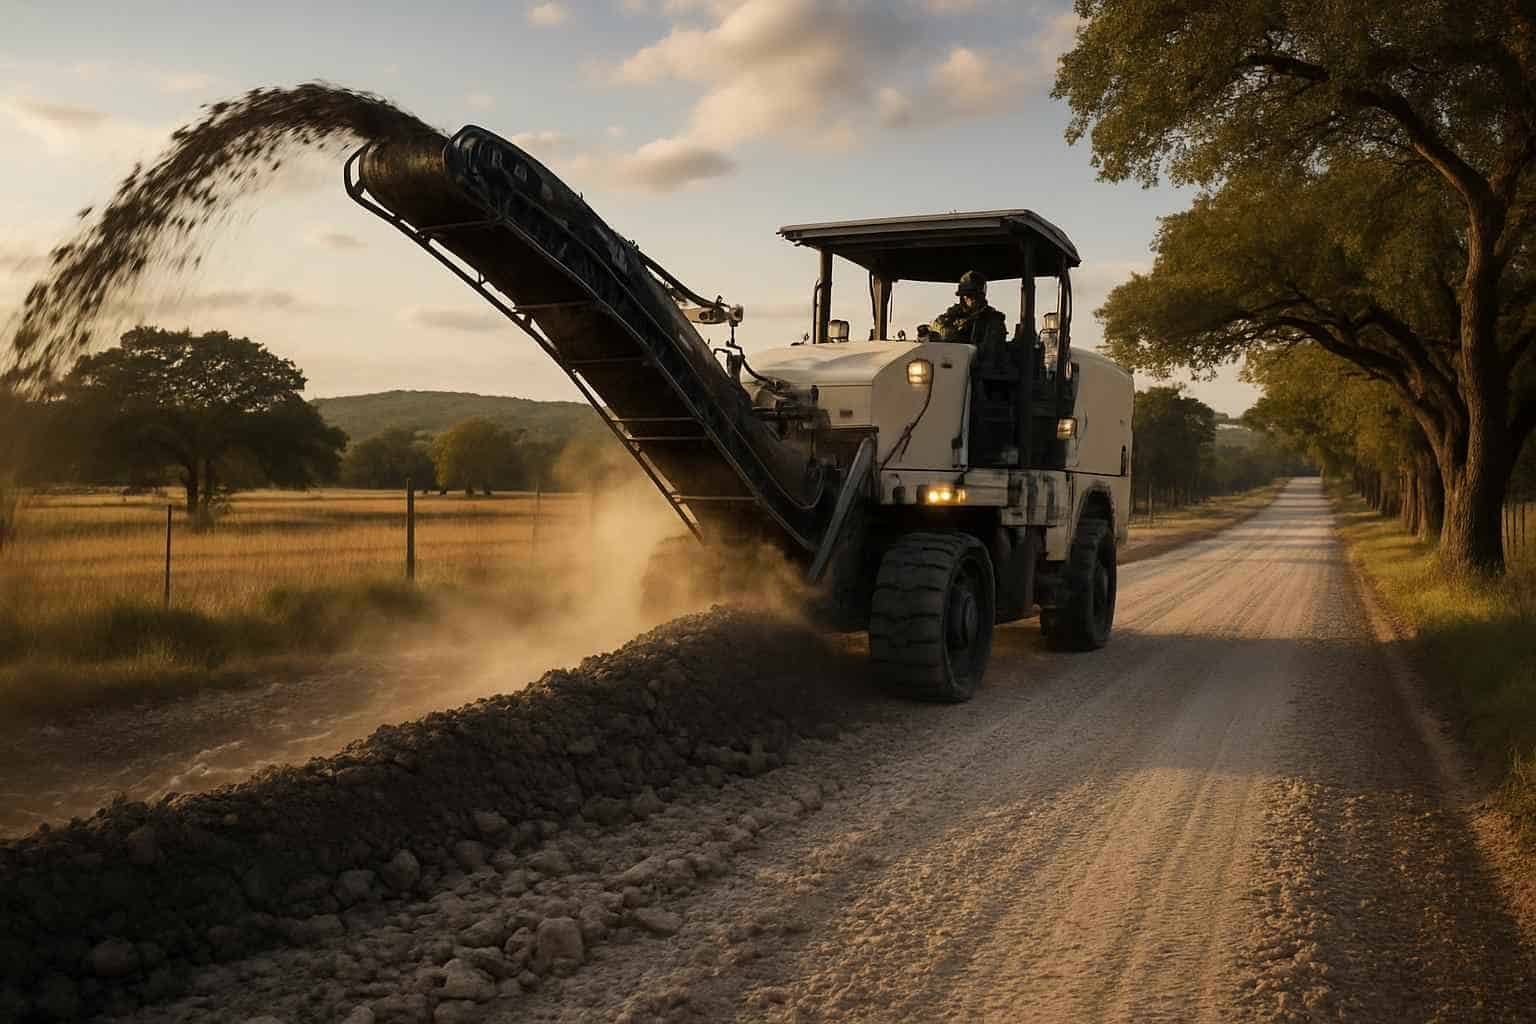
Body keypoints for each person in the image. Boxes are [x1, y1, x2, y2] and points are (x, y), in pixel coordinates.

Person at [928, 270, 1007, 349]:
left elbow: (991, 350)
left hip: (979, 360)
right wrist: (945, 331)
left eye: (975, 295)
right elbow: (935, 326)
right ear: (962, 297)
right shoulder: (952, 314)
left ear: (982, 295)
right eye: (968, 295)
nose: (972, 299)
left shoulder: (993, 319)